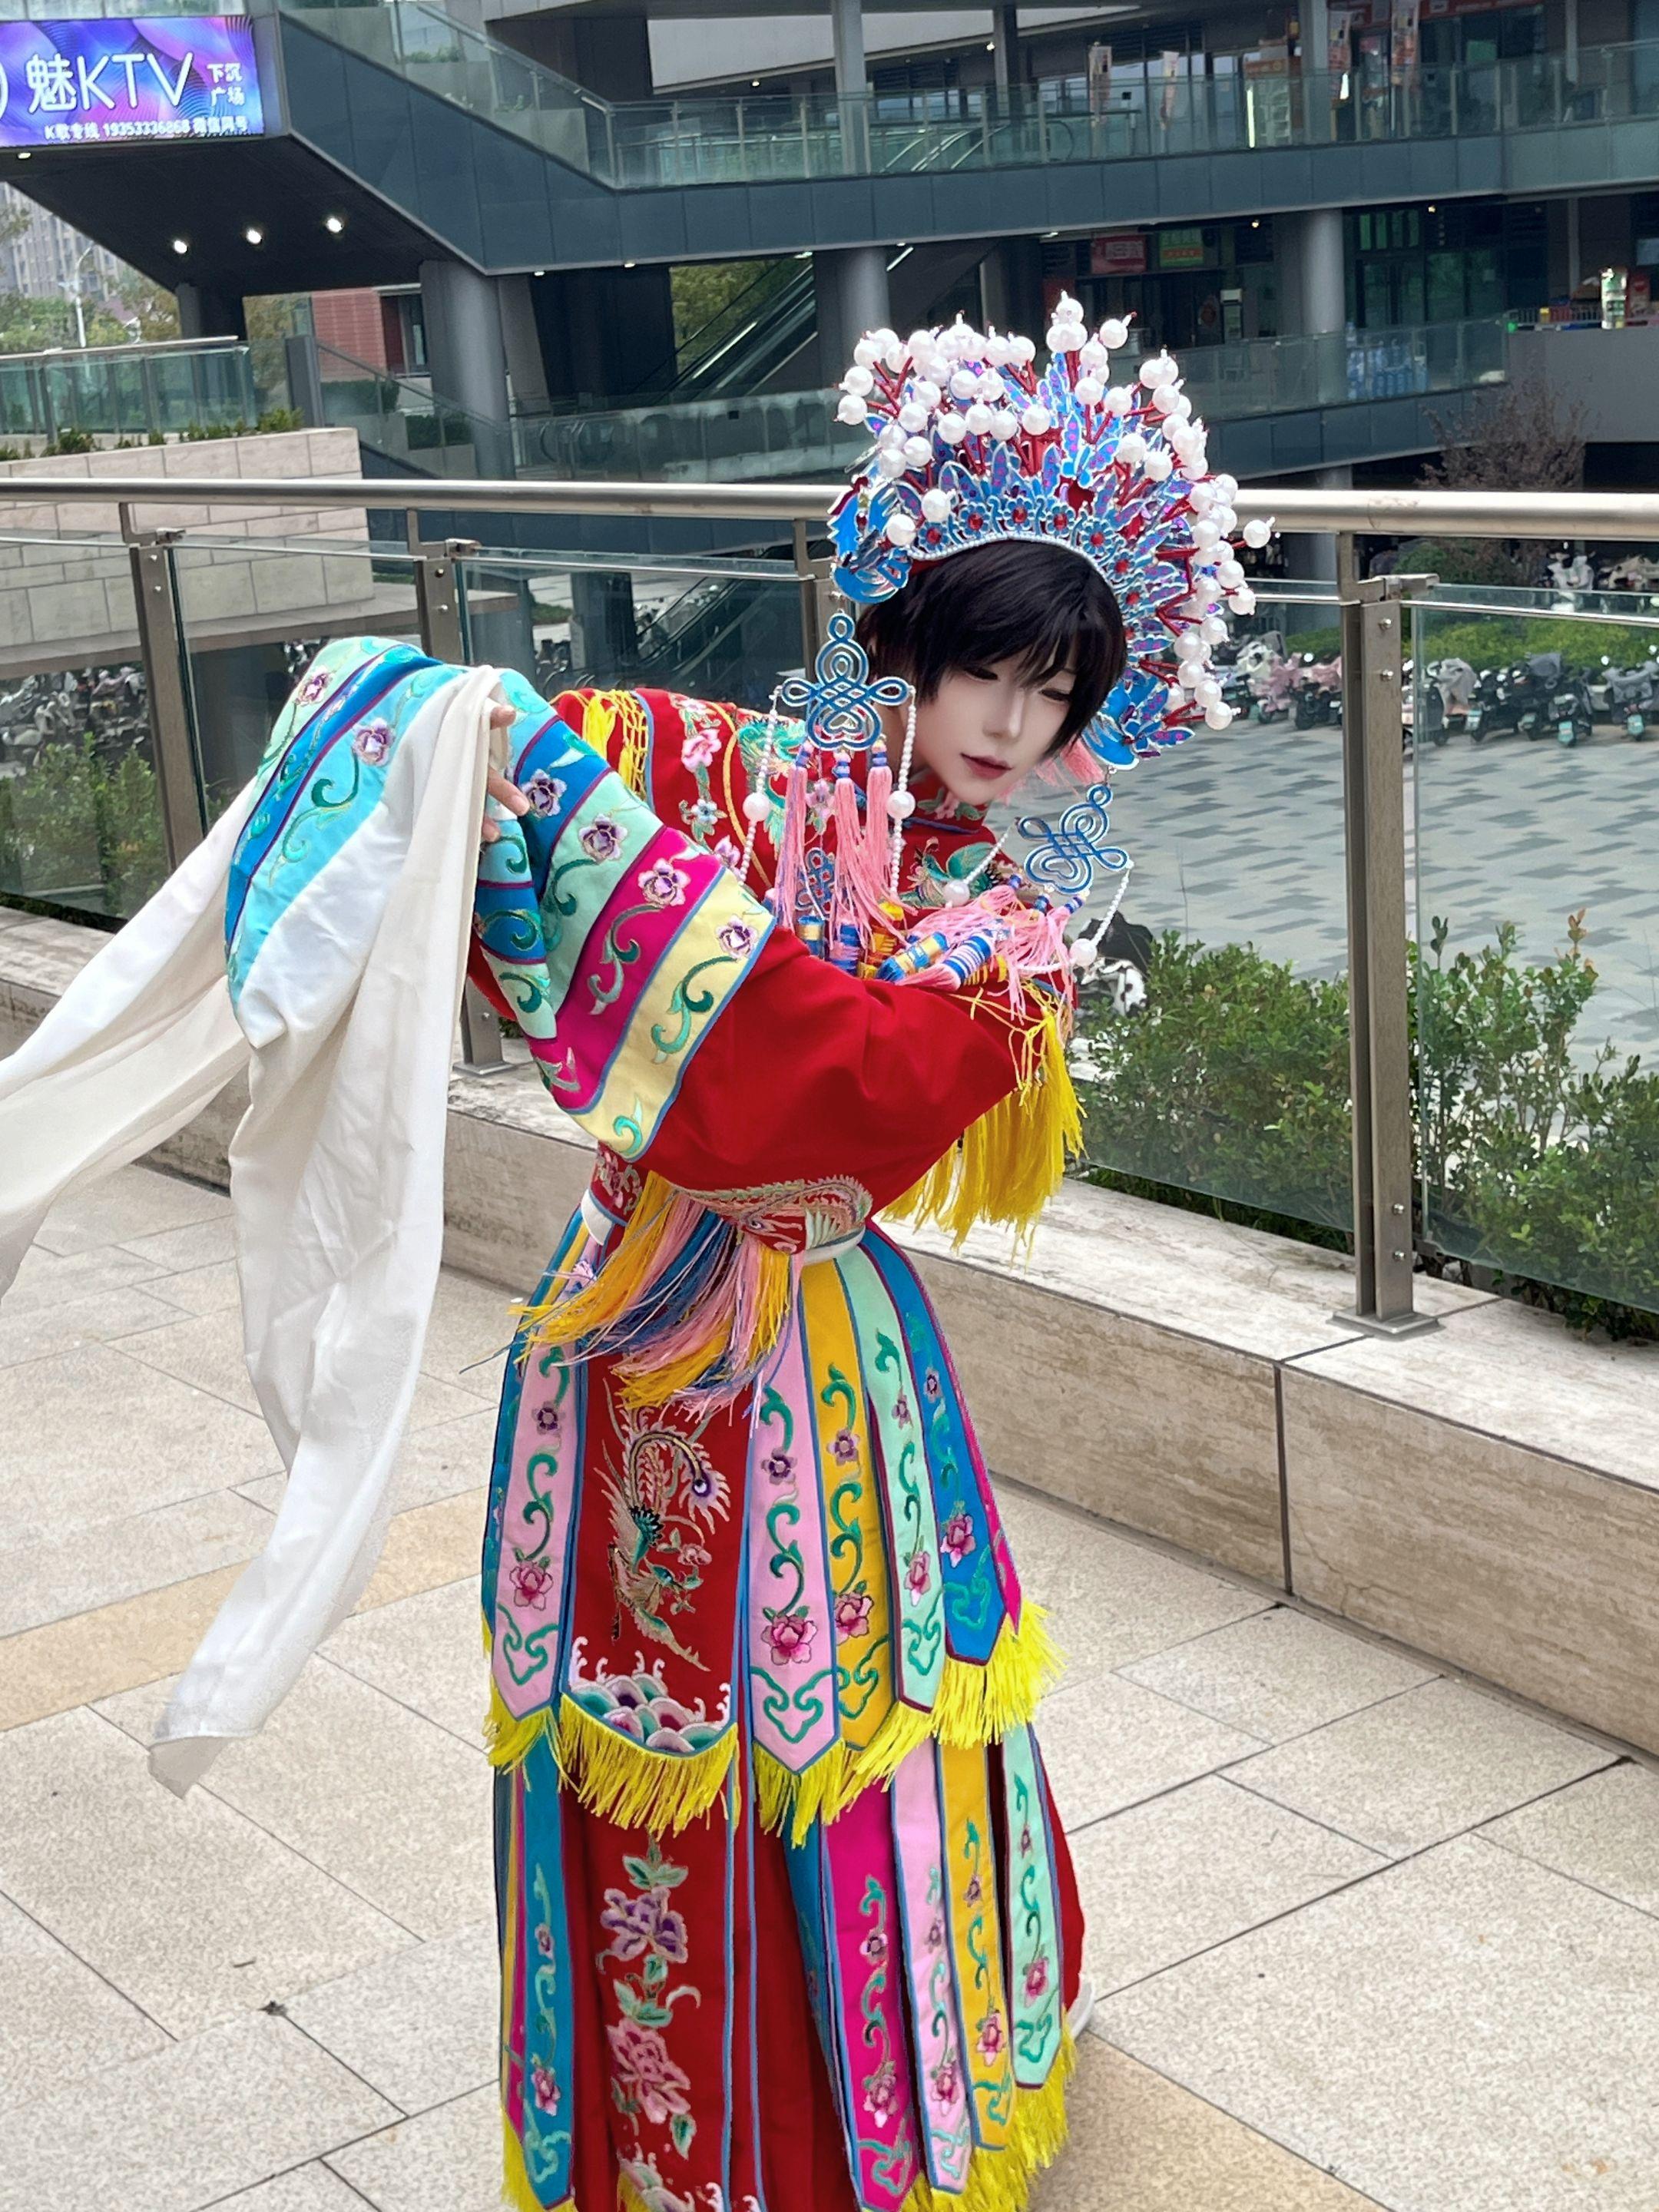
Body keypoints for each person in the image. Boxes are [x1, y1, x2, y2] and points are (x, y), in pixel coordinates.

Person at [432, 300, 1264, 2212]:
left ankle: (837, 2129)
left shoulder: (1021, 925)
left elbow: (828, 1097)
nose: (1012, 726)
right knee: (614, 1699)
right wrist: (471, 728)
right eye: (989, 667)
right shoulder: (733, 765)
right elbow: (548, 758)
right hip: (618, 1328)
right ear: (911, 628)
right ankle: (657, 2121)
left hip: (806, 1352)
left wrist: (668, 950)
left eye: (1057, 693)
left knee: (833, 1715)